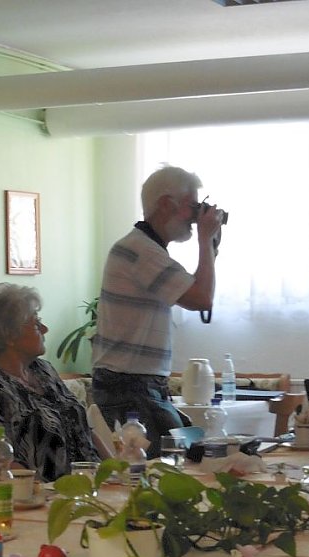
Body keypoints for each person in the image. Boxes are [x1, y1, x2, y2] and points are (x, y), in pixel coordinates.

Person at [91, 165, 224, 457]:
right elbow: (201, 298)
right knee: (156, 478)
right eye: (193, 206)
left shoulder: (148, 249)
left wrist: (210, 245)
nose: (196, 216)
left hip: (139, 385)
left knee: (180, 464)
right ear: (166, 204)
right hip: (129, 387)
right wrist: (204, 239)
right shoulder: (139, 250)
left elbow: (199, 293)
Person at [0, 283, 102, 482]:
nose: (45, 329)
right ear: (9, 334)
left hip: (89, 488)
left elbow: (84, 428)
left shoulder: (44, 370)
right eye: (36, 323)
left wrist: (116, 473)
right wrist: (43, 495)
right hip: (37, 500)